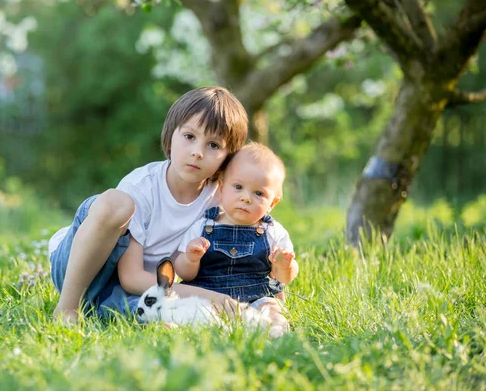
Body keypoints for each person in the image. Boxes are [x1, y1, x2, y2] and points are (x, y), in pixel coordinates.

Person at [48, 86, 249, 323]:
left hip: (137, 288)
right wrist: (210, 296)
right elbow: (131, 277)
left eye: (214, 145)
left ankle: (98, 306)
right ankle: (67, 309)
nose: (197, 152)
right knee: (117, 203)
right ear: (171, 135)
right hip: (79, 267)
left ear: (228, 156)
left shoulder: (221, 197)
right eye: (189, 137)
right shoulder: (142, 187)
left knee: (169, 317)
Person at [174, 142, 299, 336]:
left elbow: (284, 278)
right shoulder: (203, 226)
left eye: (259, 193)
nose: (246, 198)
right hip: (209, 294)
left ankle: (274, 335)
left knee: (273, 313)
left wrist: (284, 266)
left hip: (258, 296)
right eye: (238, 187)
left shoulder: (272, 231)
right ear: (222, 187)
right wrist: (191, 258)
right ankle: (187, 329)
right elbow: (185, 274)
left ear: (272, 203)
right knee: (196, 313)